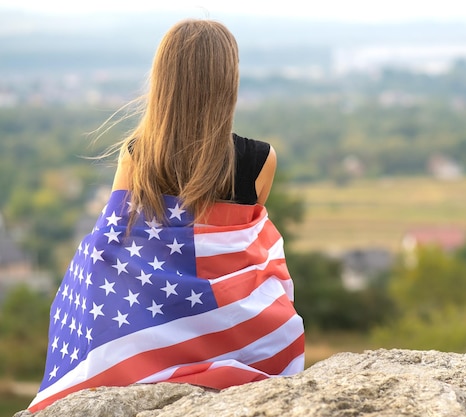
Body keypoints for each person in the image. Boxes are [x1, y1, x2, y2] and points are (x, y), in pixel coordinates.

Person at [28, 18, 305, 412]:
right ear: (228, 81)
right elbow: (246, 253)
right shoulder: (260, 160)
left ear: (164, 81)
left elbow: (113, 246)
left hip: (152, 331)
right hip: (232, 332)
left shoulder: (136, 155)